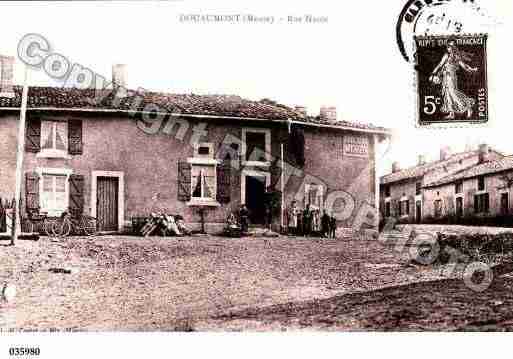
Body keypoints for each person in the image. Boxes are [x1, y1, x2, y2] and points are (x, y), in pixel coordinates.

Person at [430, 40, 479, 120]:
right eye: (448, 46)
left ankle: (468, 107)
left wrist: (472, 69)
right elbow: (440, 65)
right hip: (445, 76)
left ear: (455, 47)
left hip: (451, 77)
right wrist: (433, 73)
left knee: (453, 93)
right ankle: (451, 113)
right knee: (447, 94)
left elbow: (464, 66)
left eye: (452, 46)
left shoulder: (456, 56)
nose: (450, 48)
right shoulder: (446, 55)